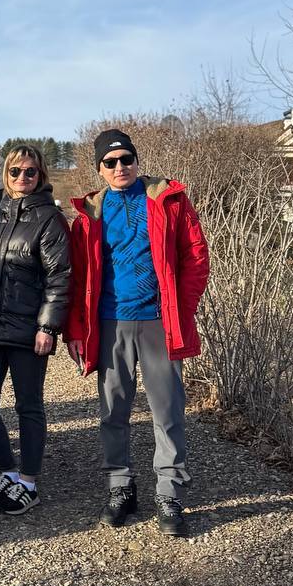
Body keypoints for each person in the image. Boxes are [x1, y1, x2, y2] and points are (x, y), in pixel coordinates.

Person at [66, 129, 209, 537]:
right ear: (99, 169)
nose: (119, 167)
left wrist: (180, 311)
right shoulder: (89, 216)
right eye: (109, 162)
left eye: (125, 159)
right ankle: (120, 487)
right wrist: (76, 329)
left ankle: (170, 493)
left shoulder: (168, 201)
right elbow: (77, 279)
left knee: (167, 412)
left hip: (158, 322)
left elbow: (196, 256)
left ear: (136, 161)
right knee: (113, 412)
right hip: (110, 323)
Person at [0, 145, 70, 516]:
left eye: (31, 172)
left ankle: (29, 482)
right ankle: (8, 471)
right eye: (16, 171)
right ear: (5, 174)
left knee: (29, 406)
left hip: (27, 332)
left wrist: (47, 327)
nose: (23, 177)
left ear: (41, 176)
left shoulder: (50, 219)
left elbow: (60, 277)